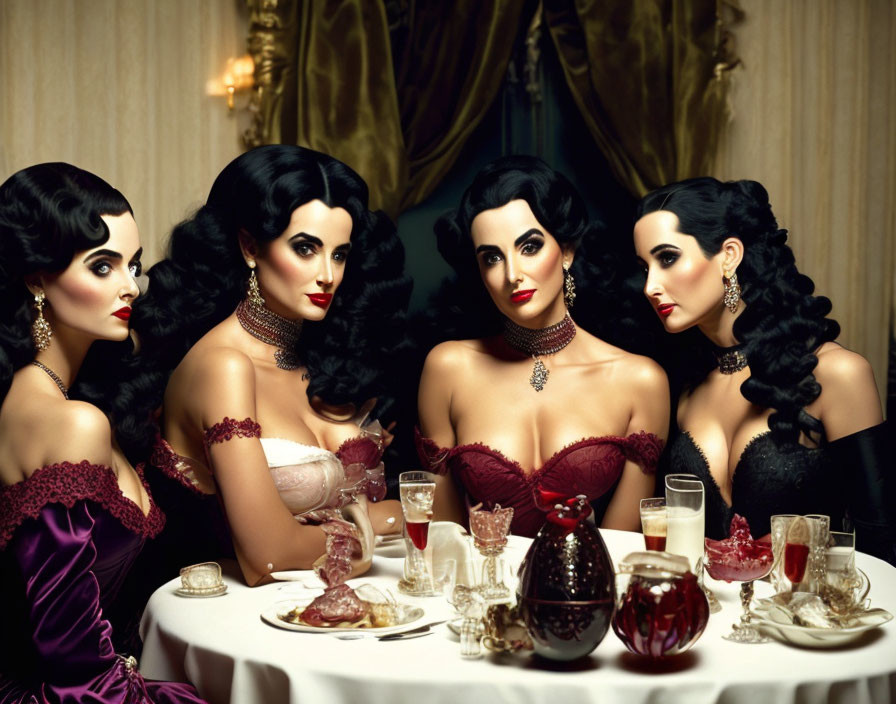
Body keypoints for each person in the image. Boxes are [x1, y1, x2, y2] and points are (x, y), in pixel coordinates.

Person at [131, 145, 409, 589]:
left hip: (340, 602)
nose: (328, 275)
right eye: (305, 249)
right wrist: (385, 516)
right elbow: (269, 557)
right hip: (240, 624)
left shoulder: (315, 354)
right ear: (249, 246)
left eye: (339, 254)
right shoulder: (224, 367)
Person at [0, 163, 205, 701]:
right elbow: (71, 659)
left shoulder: (67, 402)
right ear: (36, 278)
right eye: (102, 265)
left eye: (132, 264)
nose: (129, 286)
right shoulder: (69, 422)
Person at [633, 177, 895, 563]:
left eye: (668, 258)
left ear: (729, 255)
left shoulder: (837, 375)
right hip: (710, 620)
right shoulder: (684, 386)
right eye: (645, 267)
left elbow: (883, 550)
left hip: (807, 621)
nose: (650, 286)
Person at [416, 155, 668, 537]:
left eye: (529, 247)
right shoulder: (448, 369)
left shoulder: (640, 380)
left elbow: (621, 548)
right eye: (492, 257)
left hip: (589, 588)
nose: (512, 274)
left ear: (566, 251)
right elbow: (444, 539)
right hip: (479, 590)